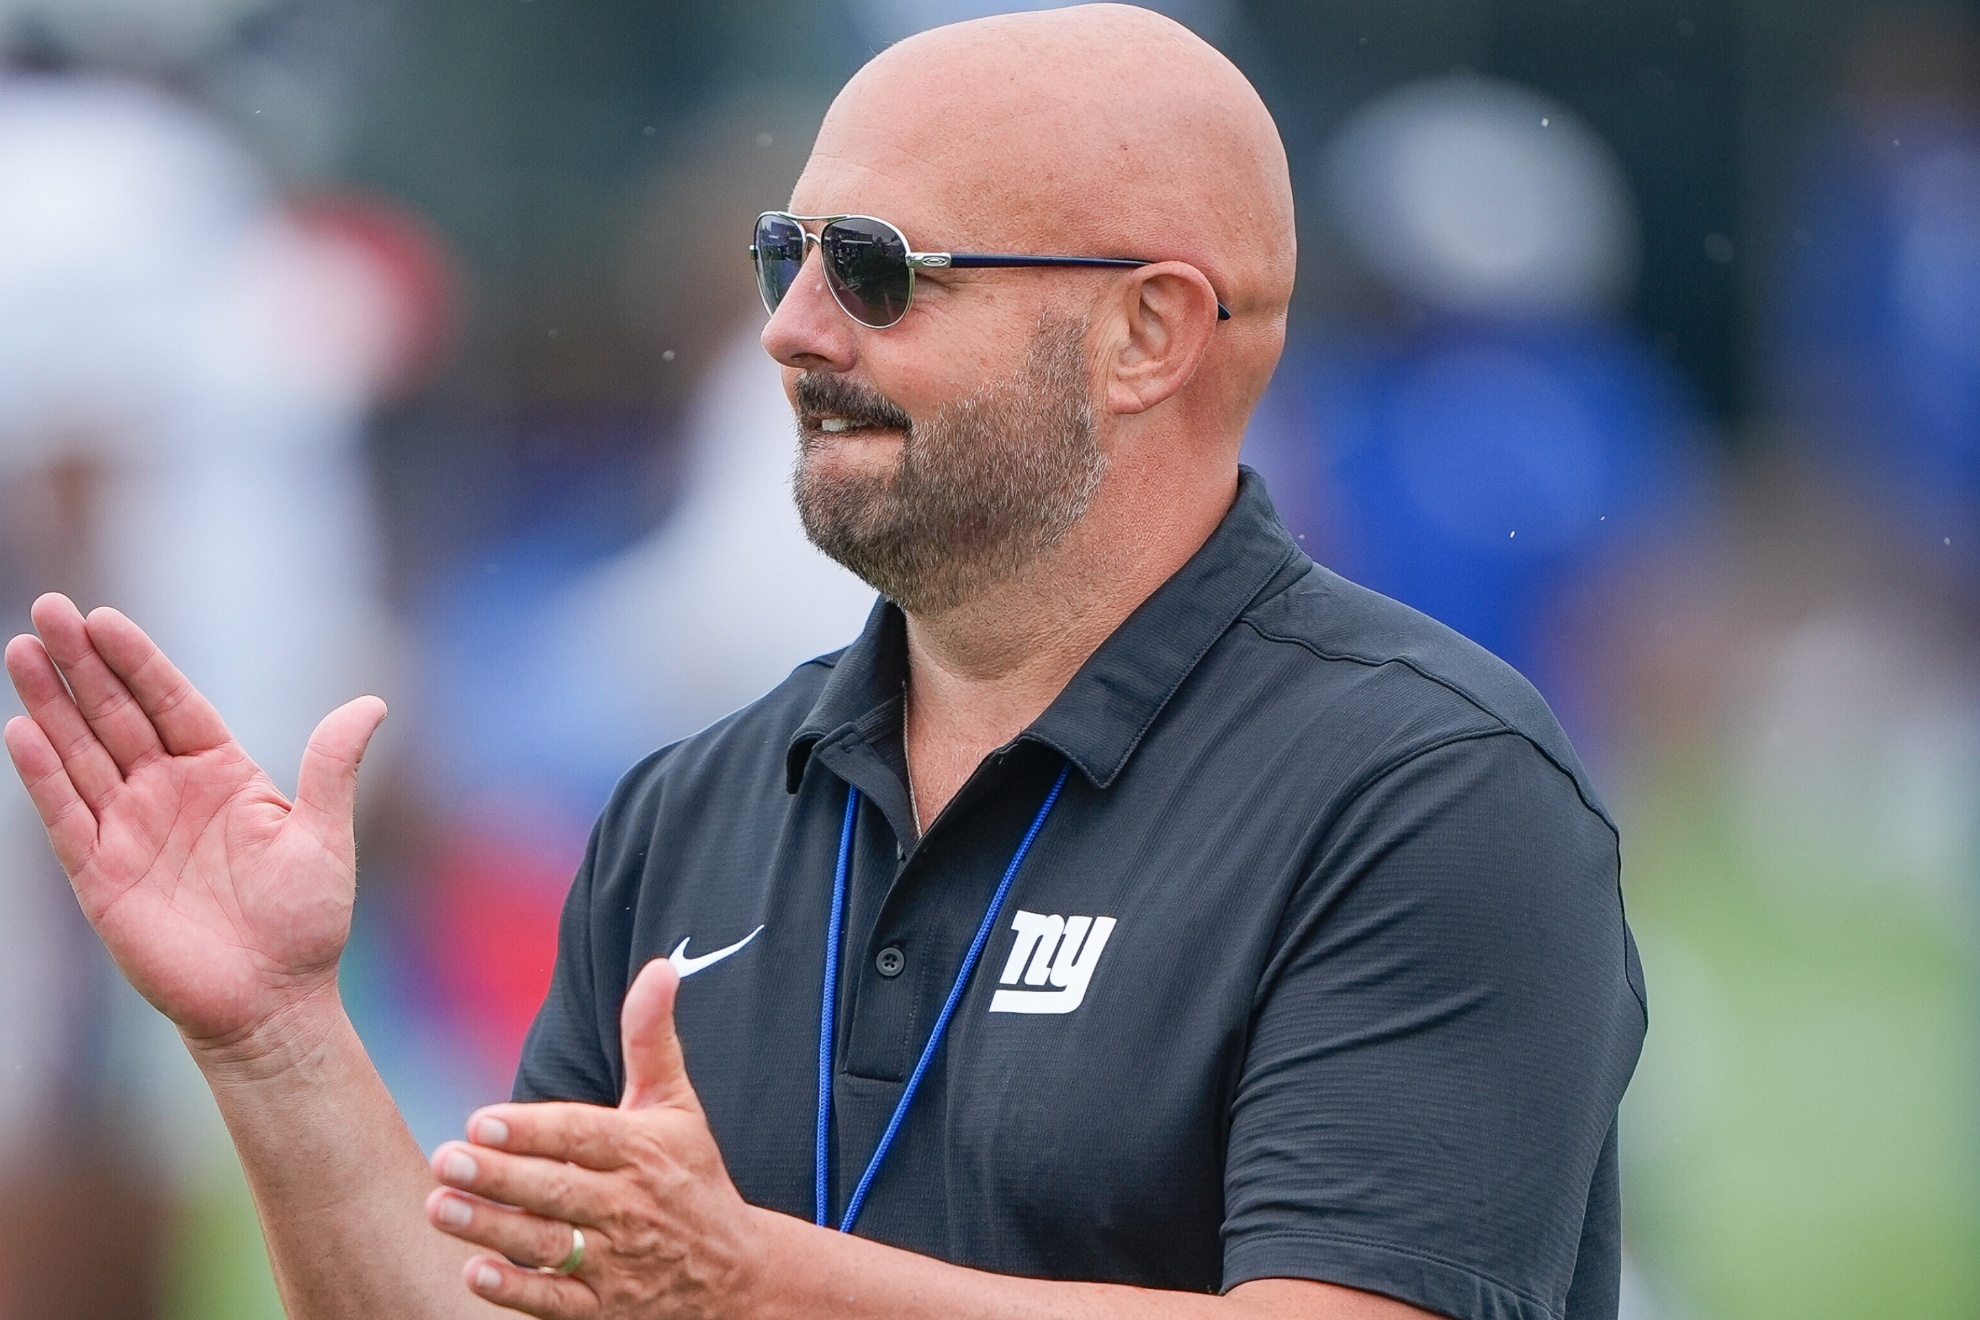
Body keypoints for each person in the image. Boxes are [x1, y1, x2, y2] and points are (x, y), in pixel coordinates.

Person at [1, 6, 1644, 1320]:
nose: (794, 330)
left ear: (1148, 332)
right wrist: (276, 1037)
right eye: (784, 260)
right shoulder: (691, 809)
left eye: (876, 269)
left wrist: (750, 1285)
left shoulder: (1429, 791)